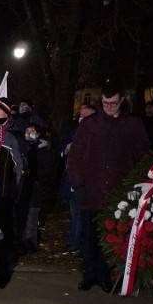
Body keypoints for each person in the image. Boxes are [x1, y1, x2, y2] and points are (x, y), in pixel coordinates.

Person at [67, 81, 150, 292]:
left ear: (121, 101)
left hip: (118, 192)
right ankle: (89, 273)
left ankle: (105, 274)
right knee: (89, 236)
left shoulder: (132, 124)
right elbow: (75, 155)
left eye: (113, 103)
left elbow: (142, 154)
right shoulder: (90, 124)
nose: (109, 107)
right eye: (105, 103)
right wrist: (78, 184)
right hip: (91, 190)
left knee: (111, 235)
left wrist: (138, 183)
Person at [0, 96, 24, 288]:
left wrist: (14, 192)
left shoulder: (12, 136)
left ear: (5, 112)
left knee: (5, 233)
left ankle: (4, 269)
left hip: (4, 195)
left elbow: (19, 167)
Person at [56, 104, 96, 252]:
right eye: (81, 116)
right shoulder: (72, 132)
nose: (82, 119)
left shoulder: (97, 133)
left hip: (89, 182)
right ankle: (74, 241)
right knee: (75, 213)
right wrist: (66, 149)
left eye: (86, 116)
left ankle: (80, 243)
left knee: (84, 214)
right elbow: (59, 151)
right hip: (72, 181)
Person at [17, 123, 53, 252]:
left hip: (35, 187)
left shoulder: (42, 149)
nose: (29, 133)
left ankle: (30, 242)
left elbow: (46, 169)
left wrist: (37, 178)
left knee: (32, 215)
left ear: (38, 134)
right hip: (22, 188)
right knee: (22, 215)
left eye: (32, 130)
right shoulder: (21, 147)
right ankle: (21, 240)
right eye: (27, 130)